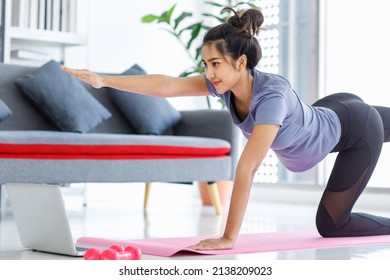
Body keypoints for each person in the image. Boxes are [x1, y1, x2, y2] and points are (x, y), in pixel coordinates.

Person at [61, 7, 390, 250]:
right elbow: (168, 86)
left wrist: (228, 237)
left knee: (331, 225)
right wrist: (104, 80)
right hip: (332, 111)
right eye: (206, 64)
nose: (209, 72)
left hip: (354, 129)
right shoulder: (224, 85)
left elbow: (246, 168)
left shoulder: (271, 98)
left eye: (215, 63)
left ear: (241, 63)